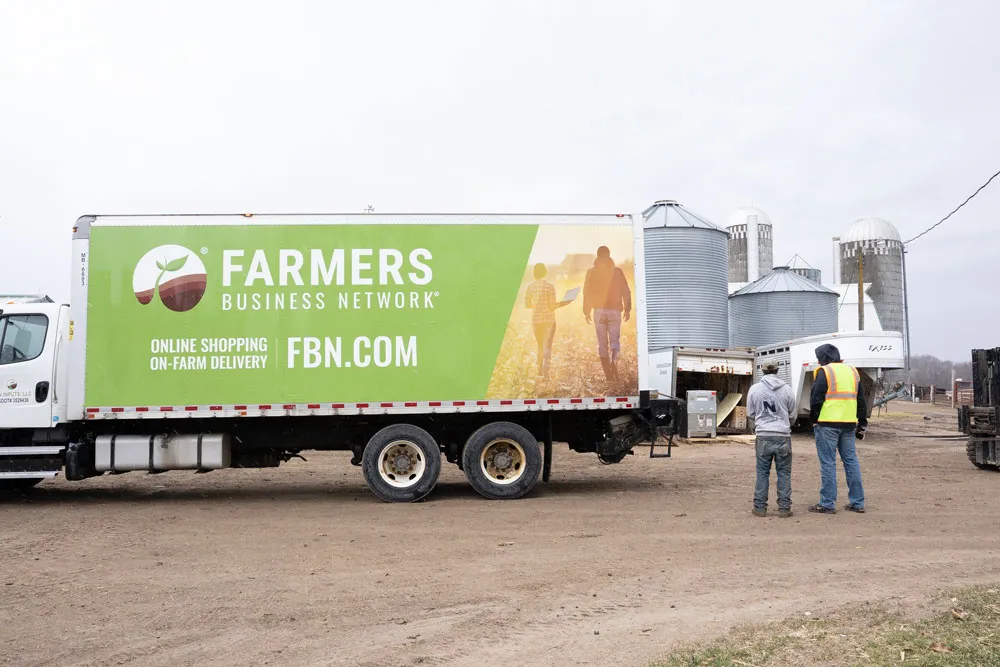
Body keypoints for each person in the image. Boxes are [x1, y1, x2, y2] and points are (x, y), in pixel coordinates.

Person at [808, 343, 868, 514]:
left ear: (824, 358)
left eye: (819, 358)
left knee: (828, 463)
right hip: (848, 424)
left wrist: (814, 420)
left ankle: (827, 503)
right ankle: (857, 503)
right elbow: (861, 399)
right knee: (851, 462)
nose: (818, 362)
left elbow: (816, 398)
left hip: (827, 424)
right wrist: (862, 422)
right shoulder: (852, 372)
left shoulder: (825, 372)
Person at [746, 361, 798, 518]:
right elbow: (793, 414)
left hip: (763, 435)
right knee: (784, 473)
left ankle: (760, 508)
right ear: (777, 370)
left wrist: (761, 422)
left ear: (762, 371)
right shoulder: (787, 389)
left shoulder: (754, 389)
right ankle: (784, 508)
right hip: (782, 435)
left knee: (762, 472)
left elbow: (750, 413)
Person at [582, 246, 631, 382]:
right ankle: (613, 365)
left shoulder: (591, 272)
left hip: (599, 311)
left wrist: (586, 311)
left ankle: (608, 376)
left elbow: (587, 292)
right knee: (615, 341)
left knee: (602, 344)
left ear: (597, 256)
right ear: (609, 255)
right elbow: (625, 290)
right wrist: (627, 309)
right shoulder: (618, 272)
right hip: (615, 311)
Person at [524, 263, 570, 378]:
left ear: (534, 273)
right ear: (545, 273)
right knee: (547, 345)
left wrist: (536, 305)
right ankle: (546, 371)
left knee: (539, 345)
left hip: (536, 320)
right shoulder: (550, 286)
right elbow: (551, 306)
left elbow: (527, 304)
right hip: (549, 320)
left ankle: (539, 370)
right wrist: (565, 303)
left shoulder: (530, 287)